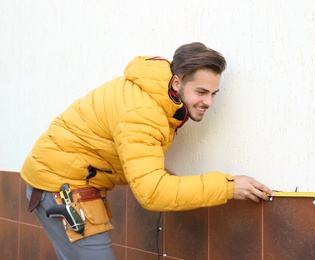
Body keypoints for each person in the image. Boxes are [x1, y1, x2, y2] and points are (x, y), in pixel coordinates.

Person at [21, 42, 273, 259]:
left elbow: (124, 144)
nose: (209, 102)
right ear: (176, 82)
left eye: (214, 93)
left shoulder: (154, 97)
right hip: (60, 186)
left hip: (60, 177)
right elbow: (152, 194)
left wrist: (153, 167)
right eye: (201, 92)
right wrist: (229, 186)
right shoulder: (144, 114)